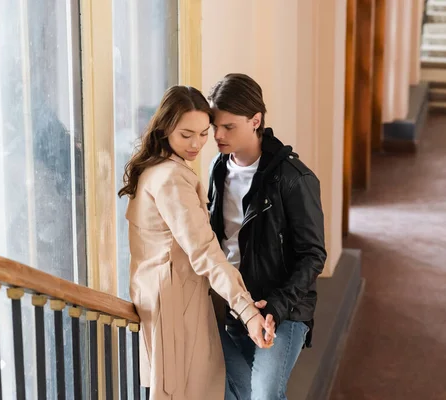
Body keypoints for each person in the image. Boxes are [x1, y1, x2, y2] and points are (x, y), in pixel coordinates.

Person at [119, 85, 275, 400]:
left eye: (204, 133)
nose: (197, 144)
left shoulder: (156, 168)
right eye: (186, 134)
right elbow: (204, 252)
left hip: (165, 295)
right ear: (165, 129)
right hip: (175, 302)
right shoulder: (171, 178)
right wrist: (247, 311)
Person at [207, 73, 327, 400]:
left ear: (255, 121)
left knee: (263, 394)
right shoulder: (217, 170)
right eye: (214, 125)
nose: (217, 134)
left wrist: (275, 305)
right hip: (235, 305)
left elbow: (313, 255)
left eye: (228, 127)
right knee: (231, 391)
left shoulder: (294, 178)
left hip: (284, 309)